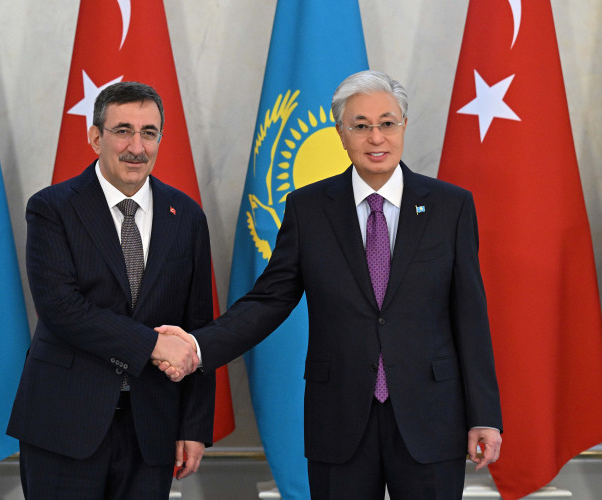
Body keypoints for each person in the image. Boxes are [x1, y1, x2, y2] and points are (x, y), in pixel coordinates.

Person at [156, 70, 502, 500]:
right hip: (339, 417)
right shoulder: (309, 209)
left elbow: (470, 316)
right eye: (361, 125)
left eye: (387, 123)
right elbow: (268, 301)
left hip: (431, 416)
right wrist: (198, 346)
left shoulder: (450, 206)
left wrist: (484, 415)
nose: (376, 137)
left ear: (404, 126)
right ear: (340, 133)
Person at [7, 81, 215, 499]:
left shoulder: (187, 216)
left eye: (149, 133)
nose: (136, 147)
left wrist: (194, 426)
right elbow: (62, 308)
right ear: (95, 137)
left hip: (152, 427)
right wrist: (152, 345)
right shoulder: (52, 208)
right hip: (64, 423)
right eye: (122, 131)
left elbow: (197, 327)